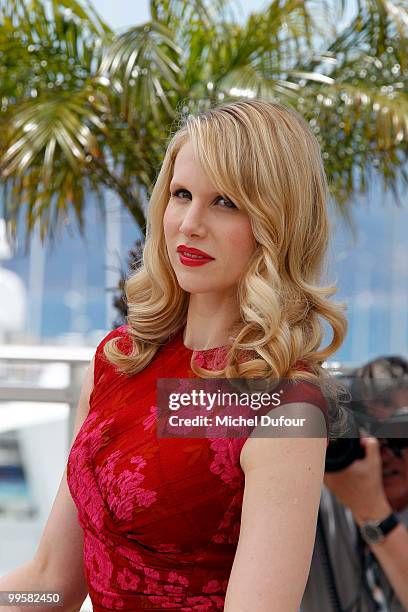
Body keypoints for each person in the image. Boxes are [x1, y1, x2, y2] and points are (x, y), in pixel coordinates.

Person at [0, 98, 347, 611]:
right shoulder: (118, 362)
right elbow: (53, 580)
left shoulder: (284, 408)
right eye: (181, 195)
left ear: (278, 222)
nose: (189, 223)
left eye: (225, 202)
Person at [301, 356, 408, 612]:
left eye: (397, 433)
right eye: (366, 430)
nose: (380, 451)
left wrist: (372, 512)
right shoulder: (309, 502)